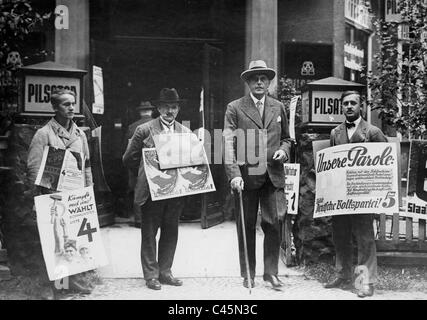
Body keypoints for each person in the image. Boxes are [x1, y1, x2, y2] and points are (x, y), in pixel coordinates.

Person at [223, 60, 291, 290]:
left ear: (269, 82)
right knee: (247, 224)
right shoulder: (235, 107)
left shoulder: (278, 106)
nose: (259, 82)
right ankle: (248, 273)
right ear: (248, 82)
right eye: (255, 78)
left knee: (274, 223)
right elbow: (227, 143)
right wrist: (233, 173)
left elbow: (287, 138)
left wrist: (284, 150)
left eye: (263, 78)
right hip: (246, 176)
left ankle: (271, 273)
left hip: (272, 175)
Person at [27, 88, 94, 296]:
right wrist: (40, 200)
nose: (72, 107)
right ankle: (58, 287)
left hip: (75, 196)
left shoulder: (80, 134)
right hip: (53, 197)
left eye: (73, 103)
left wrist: (88, 192)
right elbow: (34, 169)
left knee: (73, 239)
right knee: (55, 240)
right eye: (66, 104)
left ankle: (75, 282)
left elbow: (87, 166)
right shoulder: (44, 134)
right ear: (55, 108)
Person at [123, 88, 189, 290]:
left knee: (171, 231)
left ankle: (165, 272)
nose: (170, 111)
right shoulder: (144, 130)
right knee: (150, 232)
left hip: (175, 191)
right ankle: (151, 275)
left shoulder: (184, 132)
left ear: (178, 109)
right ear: (158, 108)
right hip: (152, 191)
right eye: (166, 107)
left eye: (174, 107)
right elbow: (128, 159)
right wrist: (147, 172)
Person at [324, 90, 387, 298]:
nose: (349, 106)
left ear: (361, 106)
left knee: (364, 238)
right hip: (341, 195)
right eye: (346, 104)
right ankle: (342, 275)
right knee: (340, 235)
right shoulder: (335, 133)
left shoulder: (373, 132)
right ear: (341, 107)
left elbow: (386, 162)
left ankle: (365, 282)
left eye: (353, 103)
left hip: (363, 194)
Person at [125, 101, 156, 227]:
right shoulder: (159, 125)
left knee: (139, 191)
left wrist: (131, 165)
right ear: (152, 111)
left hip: (137, 164)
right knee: (156, 190)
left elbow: (128, 149)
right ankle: (154, 219)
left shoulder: (132, 127)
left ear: (140, 112)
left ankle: (139, 220)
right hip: (156, 163)